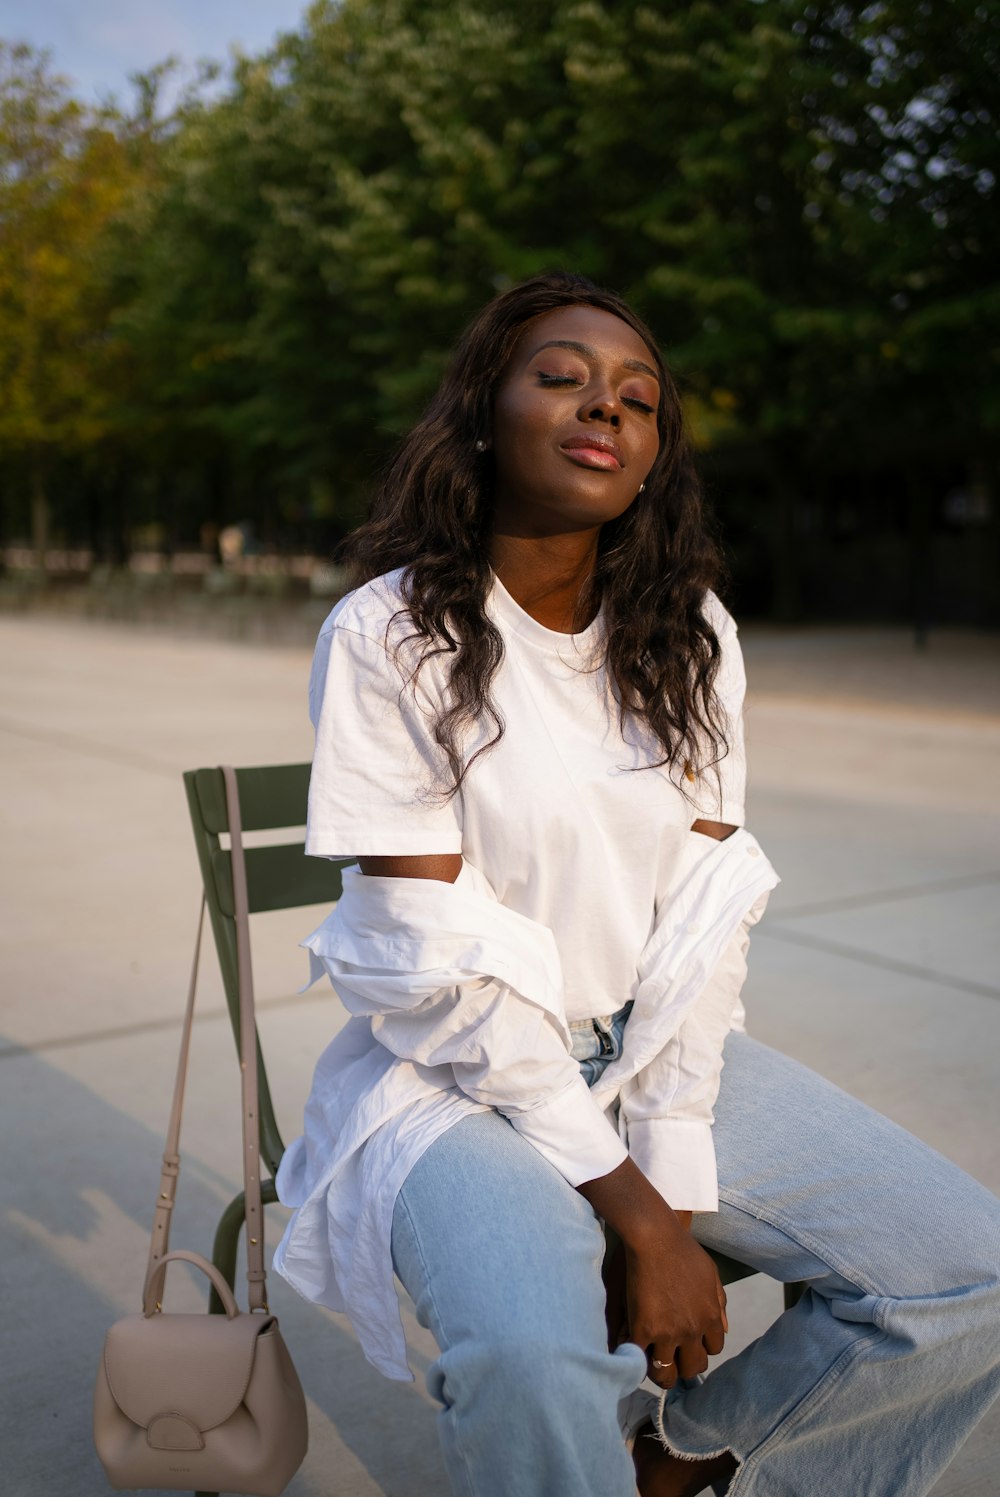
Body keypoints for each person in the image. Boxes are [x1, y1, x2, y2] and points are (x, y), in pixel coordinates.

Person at [273, 272, 1000, 1496]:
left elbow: (705, 924)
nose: (601, 407)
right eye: (559, 377)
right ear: (482, 414)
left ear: (656, 454)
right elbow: (428, 961)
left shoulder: (691, 636)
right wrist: (640, 1214)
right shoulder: (390, 633)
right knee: (531, 1358)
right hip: (450, 1075)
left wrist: (658, 1158)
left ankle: (678, 1461)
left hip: (655, 1050)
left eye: (637, 398)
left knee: (957, 1269)